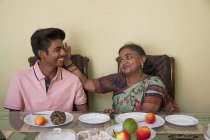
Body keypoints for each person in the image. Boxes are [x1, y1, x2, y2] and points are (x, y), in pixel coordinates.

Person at [63, 43, 178, 113]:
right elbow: (88, 84)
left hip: (153, 131)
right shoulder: (117, 80)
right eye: (120, 59)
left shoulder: (154, 83)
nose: (123, 62)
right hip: (124, 131)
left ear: (142, 60)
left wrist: (118, 114)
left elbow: (145, 114)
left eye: (128, 57)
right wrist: (68, 62)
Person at [4, 28, 88, 113]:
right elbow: (14, 119)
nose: (64, 53)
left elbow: (84, 115)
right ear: (42, 54)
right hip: (30, 126)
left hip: (65, 126)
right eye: (58, 49)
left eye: (63, 48)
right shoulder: (19, 79)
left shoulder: (73, 80)